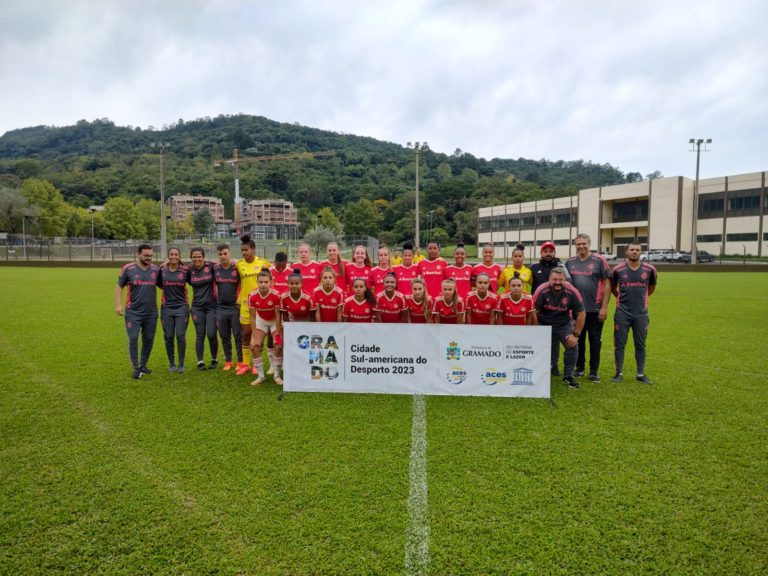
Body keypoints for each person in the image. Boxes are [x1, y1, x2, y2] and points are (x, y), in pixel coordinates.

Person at [565, 234, 611, 382]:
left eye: (584, 243)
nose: (581, 246)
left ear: (589, 244)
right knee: (578, 339)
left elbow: (607, 284)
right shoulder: (570, 262)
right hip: (577, 310)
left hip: (595, 309)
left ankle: (593, 371)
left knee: (595, 341)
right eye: (578, 244)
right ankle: (580, 368)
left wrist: (604, 307)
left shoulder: (599, 260)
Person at [610, 242, 657, 384]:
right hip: (622, 313)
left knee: (640, 344)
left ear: (641, 252)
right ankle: (618, 373)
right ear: (626, 252)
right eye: (632, 249)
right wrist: (620, 298)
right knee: (620, 344)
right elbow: (612, 287)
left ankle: (640, 374)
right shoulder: (617, 269)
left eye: (637, 250)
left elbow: (651, 288)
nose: (634, 252)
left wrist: (643, 299)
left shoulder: (650, 269)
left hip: (641, 314)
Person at [533, 267, 585, 388]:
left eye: (561, 280)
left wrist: (575, 335)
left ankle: (568, 376)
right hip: (543, 323)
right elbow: (533, 312)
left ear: (565, 280)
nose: (558, 282)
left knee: (572, 345)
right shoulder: (541, 290)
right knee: (534, 346)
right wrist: (535, 331)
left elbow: (581, 313)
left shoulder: (572, 291)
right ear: (549, 279)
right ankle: (537, 371)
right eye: (555, 279)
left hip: (563, 324)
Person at [115, 243, 159, 379]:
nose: (149, 258)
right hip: (133, 312)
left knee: (148, 340)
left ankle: (143, 365)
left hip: (151, 313)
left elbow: (166, 284)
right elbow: (119, 286)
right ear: (138, 254)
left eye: (151, 256)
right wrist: (118, 305)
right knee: (133, 338)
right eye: (146, 255)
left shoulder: (156, 270)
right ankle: (136, 367)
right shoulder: (127, 269)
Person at [235, 234, 270, 376]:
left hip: (260, 304)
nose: (244, 253)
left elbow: (272, 277)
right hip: (245, 304)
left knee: (258, 336)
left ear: (253, 249)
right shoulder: (239, 265)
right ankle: (245, 364)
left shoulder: (263, 263)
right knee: (245, 334)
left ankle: (257, 364)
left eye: (246, 250)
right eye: (242, 250)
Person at [156, 246, 189, 373]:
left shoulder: (185, 270)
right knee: (168, 336)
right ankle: (171, 363)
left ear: (179, 256)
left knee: (180, 335)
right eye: (171, 254)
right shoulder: (162, 270)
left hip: (182, 307)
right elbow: (159, 284)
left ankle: (181, 364)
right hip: (167, 308)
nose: (174, 256)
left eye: (176, 254)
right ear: (168, 256)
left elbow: (194, 280)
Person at [248, 270, 283, 386]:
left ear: (271, 282)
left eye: (266, 282)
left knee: (278, 345)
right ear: (257, 282)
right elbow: (252, 318)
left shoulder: (276, 295)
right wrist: (255, 337)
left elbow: (278, 316)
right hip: (261, 320)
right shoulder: (252, 295)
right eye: (261, 282)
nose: (263, 284)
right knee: (254, 346)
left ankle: (277, 376)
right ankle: (261, 376)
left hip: (275, 321)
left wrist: (277, 335)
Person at [187, 247, 218, 370]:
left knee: (211, 334)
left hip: (211, 307)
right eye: (194, 257)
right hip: (197, 307)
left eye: (199, 256)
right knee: (200, 334)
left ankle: (214, 359)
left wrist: (234, 261)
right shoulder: (188, 270)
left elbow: (224, 263)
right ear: (191, 258)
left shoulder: (211, 266)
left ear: (204, 257)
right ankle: (200, 362)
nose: (197, 259)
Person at [214, 243, 242, 372]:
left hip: (235, 307)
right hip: (221, 307)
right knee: (224, 336)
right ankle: (228, 361)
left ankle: (240, 361)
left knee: (238, 336)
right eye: (220, 254)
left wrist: (238, 261)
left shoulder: (237, 267)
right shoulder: (215, 268)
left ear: (229, 253)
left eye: (225, 253)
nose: (223, 256)